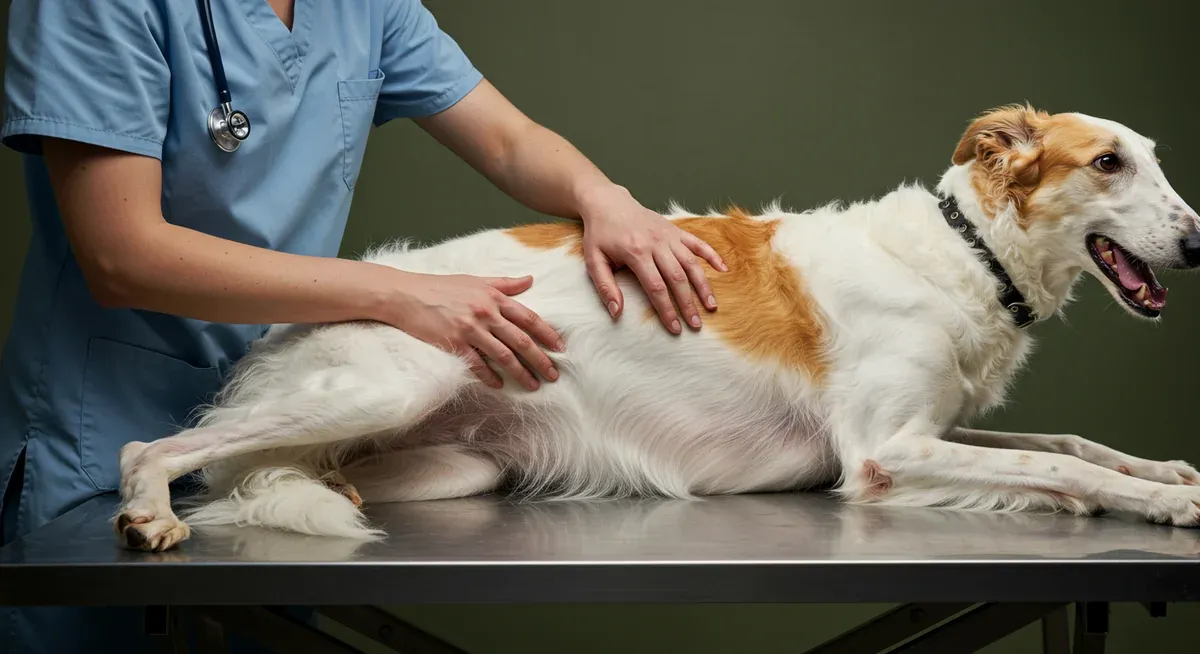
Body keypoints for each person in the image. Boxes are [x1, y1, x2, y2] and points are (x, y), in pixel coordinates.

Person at [0, 0, 726, 652]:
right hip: (106, 416)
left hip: (305, 403)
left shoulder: (361, 6)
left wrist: (604, 197)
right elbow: (121, 254)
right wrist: (398, 294)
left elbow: (507, 141)